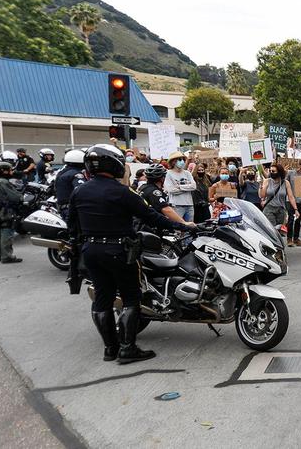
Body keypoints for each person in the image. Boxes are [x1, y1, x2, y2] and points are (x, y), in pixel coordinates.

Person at [67, 144, 191, 364]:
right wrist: (185, 227)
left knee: (103, 299)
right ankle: (127, 348)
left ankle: (110, 349)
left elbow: (72, 226)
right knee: (130, 298)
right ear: (114, 163)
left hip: (91, 251)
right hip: (119, 252)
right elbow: (153, 217)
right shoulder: (122, 192)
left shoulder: (79, 191)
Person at [0, 161, 24, 263]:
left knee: (0, 231)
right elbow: (14, 196)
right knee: (7, 231)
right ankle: (7, 256)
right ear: (3, 171)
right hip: (5, 210)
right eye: (9, 170)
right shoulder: (3, 182)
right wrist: (22, 197)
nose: (11, 171)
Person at [260, 163, 298, 242]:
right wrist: (261, 188)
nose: (271, 173)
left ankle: (278, 250)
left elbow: (291, 197)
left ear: (279, 172)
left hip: (281, 210)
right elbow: (262, 196)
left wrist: (295, 209)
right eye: (270, 171)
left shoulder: (286, 183)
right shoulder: (267, 181)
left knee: (279, 232)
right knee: (272, 230)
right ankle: (273, 249)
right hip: (269, 209)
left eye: (273, 171)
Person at [54, 148, 87, 219]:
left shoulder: (62, 172)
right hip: (72, 210)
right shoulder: (77, 174)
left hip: (63, 209)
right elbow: (82, 191)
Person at [164, 152, 197, 222]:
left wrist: (179, 187)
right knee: (178, 227)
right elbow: (171, 190)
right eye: (179, 159)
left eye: (183, 159)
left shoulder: (187, 173)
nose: (182, 161)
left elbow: (194, 186)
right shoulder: (168, 173)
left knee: (190, 227)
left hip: (189, 205)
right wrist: (187, 188)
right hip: (176, 205)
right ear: (173, 162)